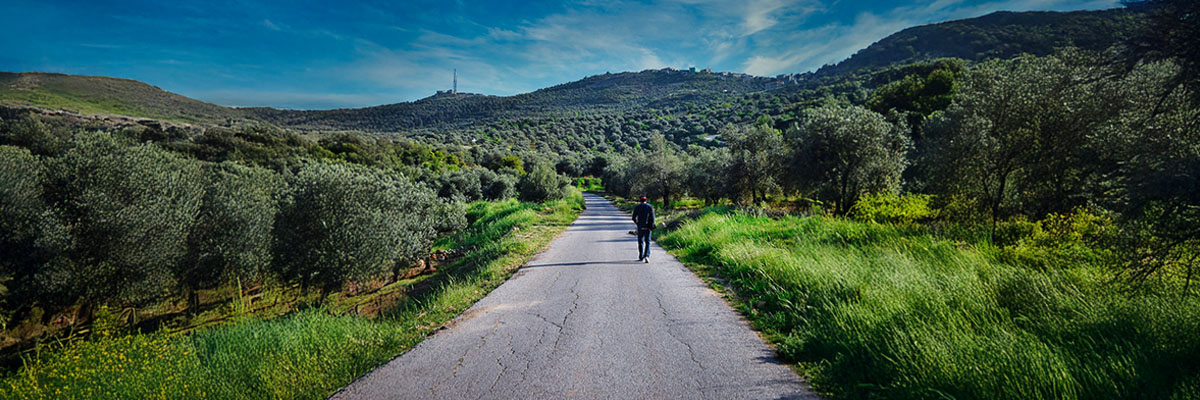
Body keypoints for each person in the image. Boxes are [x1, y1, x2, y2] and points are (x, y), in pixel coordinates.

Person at [632, 196, 655, 263]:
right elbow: (652, 217)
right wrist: (652, 225)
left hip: (640, 226)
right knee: (647, 242)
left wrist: (637, 223)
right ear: (646, 200)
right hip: (648, 227)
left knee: (640, 242)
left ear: (640, 201)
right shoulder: (650, 207)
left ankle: (641, 256)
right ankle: (646, 256)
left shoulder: (637, 207)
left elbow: (633, 217)